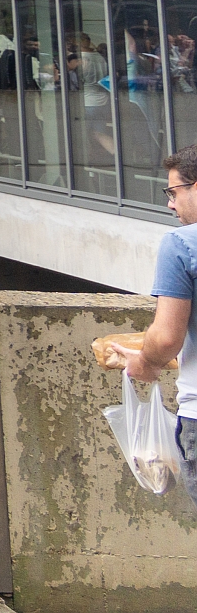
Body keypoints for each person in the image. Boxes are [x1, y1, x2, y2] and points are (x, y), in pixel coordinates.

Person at [127, 141, 197, 492]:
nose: (170, 203)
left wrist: (146, 361)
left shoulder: (182, 243)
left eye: (173, 191)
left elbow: (168, 337)